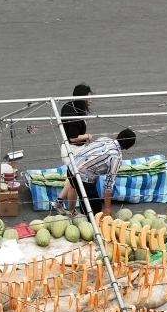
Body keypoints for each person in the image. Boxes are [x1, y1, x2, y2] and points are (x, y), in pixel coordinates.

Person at [61, 129, 136, 217]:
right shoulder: (116, 157)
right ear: (128, 147)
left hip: (70, 168)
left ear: (117, 136)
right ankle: (89, 223)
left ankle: (75, 213)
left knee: (85, 198)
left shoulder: (104, 139)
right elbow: (108, 185)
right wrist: (107, 208)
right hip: (82, 178)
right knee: (94, 210)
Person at [53, 84, 95, 212]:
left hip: (71, 148)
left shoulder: (69, 105)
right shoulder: (75, 116)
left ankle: (59, 201)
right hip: (72, 150)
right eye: (88, 98)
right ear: (82, 99)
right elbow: (73, 137)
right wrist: (87, 136)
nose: (91, 100)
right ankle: (71, 212)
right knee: (75, 184)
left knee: (72, 178)